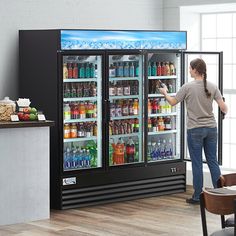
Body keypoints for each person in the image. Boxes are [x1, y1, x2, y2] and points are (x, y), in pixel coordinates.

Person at [159, 58, 228, 204]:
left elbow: (172, 102)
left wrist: (165, 92)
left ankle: (197, 196)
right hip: (211, 129)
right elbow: (223, 107)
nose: (189, 70)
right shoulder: (212, 86)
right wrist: (224, 113)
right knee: (212, 161)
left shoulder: (187, 87)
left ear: (195, 70)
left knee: (197, 163)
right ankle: (219, 194)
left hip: (195, 129)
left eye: (190, 68)